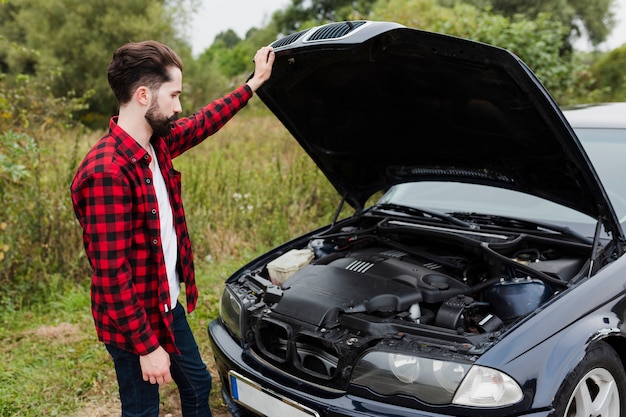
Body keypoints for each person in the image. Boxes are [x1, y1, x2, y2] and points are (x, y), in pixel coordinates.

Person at [70, 40, 274, 417]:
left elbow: (203, 123)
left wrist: (253, 83)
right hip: (131, 322)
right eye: (175, 95)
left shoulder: (155, 144)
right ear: (144, 95)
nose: (179, 107)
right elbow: (112, 275)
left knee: (197, 384)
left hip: (165, 302)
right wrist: (147, 348)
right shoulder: (106, 173)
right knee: (143, 409)